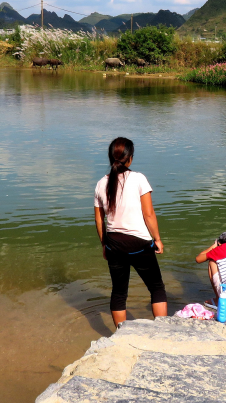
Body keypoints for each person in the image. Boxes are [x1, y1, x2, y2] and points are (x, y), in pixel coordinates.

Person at [94, 137, 167, 328]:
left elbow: (98, 220)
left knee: (119, 292)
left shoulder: (101, 184)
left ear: (111, 158)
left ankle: (121, 335)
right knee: (156, 287)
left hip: (114, 244)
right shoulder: (138, 179)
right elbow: (149, 214)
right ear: (130, 159)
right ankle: (161, 331)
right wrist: (157, 239)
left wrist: (104, 245)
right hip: (139, 244)